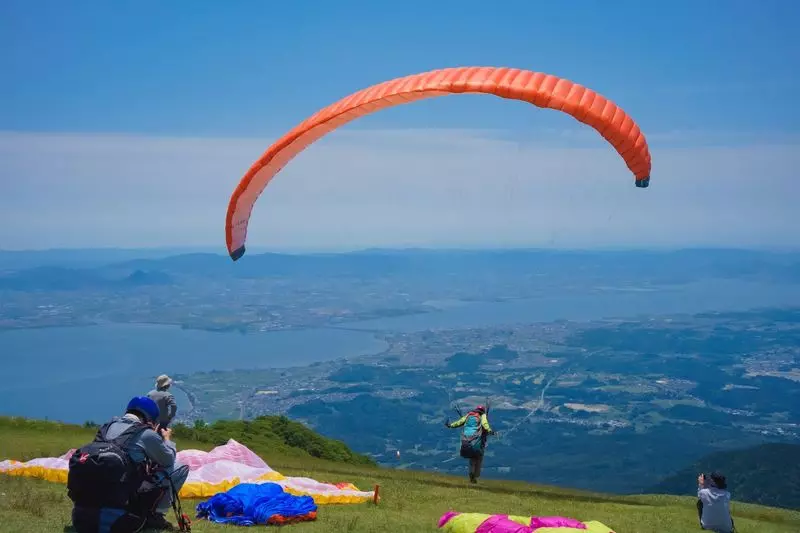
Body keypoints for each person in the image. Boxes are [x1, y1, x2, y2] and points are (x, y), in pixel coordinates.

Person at [68, 396, 190, 532]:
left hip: (82, 516)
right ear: (150, 418)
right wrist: (166, 439)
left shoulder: (105, 427)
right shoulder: (145, 433)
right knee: (180, 467)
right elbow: (168, 459)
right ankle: (155, 516)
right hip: (124, 516)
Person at [445, 404, 495, 484]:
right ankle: (475, 475)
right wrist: (489, 430)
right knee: (478, 457)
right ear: (483, 411)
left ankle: (471, 473)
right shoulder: (482, 416)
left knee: (472, 458)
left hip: (465, 440)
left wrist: (450, 425)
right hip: (477, 440)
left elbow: (459, 422)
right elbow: (485, 424)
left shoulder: (469, 415)